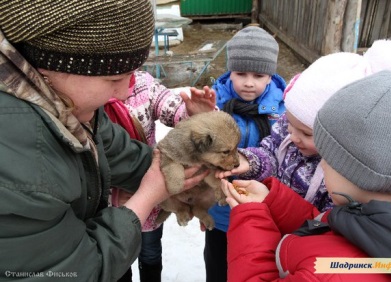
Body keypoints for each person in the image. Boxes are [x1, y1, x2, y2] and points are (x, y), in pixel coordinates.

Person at [0, 1, 208, 281]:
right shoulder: (20, 157)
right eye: (114, 78)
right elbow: (77, 272)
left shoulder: (72, 109)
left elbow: (117, 151)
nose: (123, 94)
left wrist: (189, 177)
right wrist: (147, 197)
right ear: (50, 65)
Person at [221, 70, 391, 281]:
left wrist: (250, 219)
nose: (322, 164)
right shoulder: (369, 218)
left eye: (328, 157)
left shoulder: (339, 271)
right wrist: (271, 201)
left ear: (358, 172)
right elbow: (324, 227)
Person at [217, 39, 391, 212]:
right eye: (290, 125)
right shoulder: (287, 128)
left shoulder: (343, 182)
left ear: (342, 138)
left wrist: (273, 204)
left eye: (307, 133)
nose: (292, 136)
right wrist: (248, 160)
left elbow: (324, 224)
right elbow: (271, 152)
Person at [105, 70, 216, 281]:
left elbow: (171, 107)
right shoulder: (89, 101)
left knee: (150, 252)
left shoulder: (142, 85)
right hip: (107, 206)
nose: (122, 86)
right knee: (117, 262)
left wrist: (195, 116)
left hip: (152, 196)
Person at [205, 25, 287, 282]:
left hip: (264, 211)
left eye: (259, 75)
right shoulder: (214, 105)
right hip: (220, 211)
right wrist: (201, 206)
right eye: (240, 73)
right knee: (218, 268)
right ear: (230, 70)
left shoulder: (284, 110)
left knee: (254, 269)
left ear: (270, 75)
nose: (249, 83)